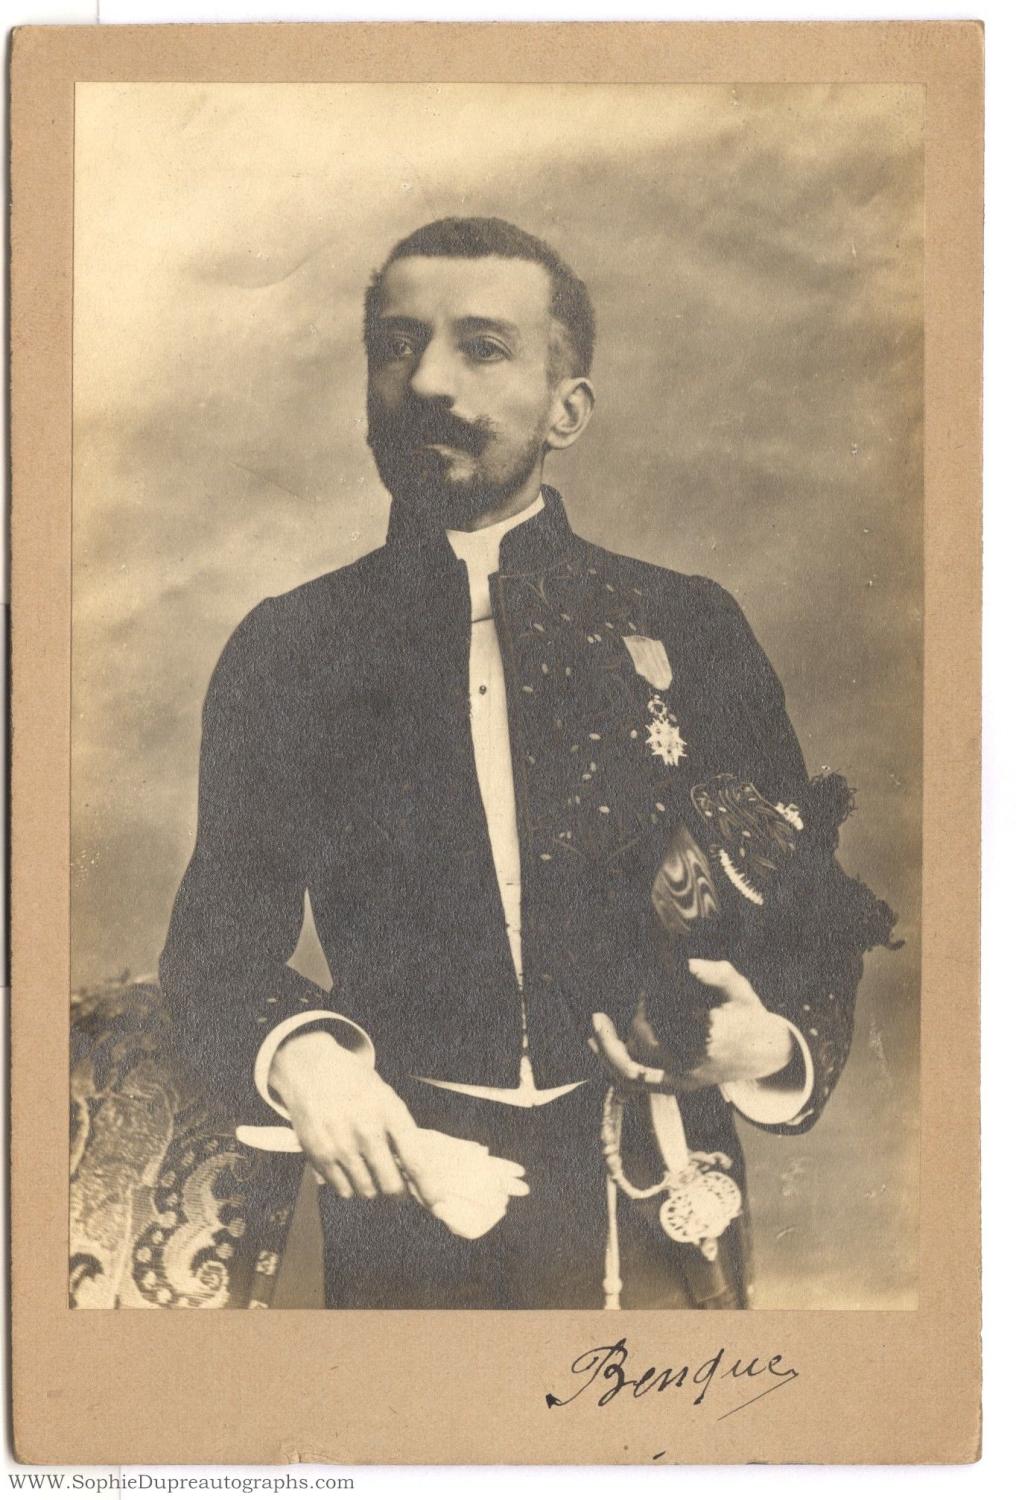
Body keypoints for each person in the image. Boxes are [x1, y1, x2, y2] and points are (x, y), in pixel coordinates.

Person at [160, 216, 895, 1311]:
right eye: (398, 346)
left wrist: (765, 1040)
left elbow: (805, 914)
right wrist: (303, 1055)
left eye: (483, 348)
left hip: (652, 1193)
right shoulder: (291, 649)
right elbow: (216, 952)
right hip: (404, 1200)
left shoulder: (687, 627)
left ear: (567, 410)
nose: (429, 381)